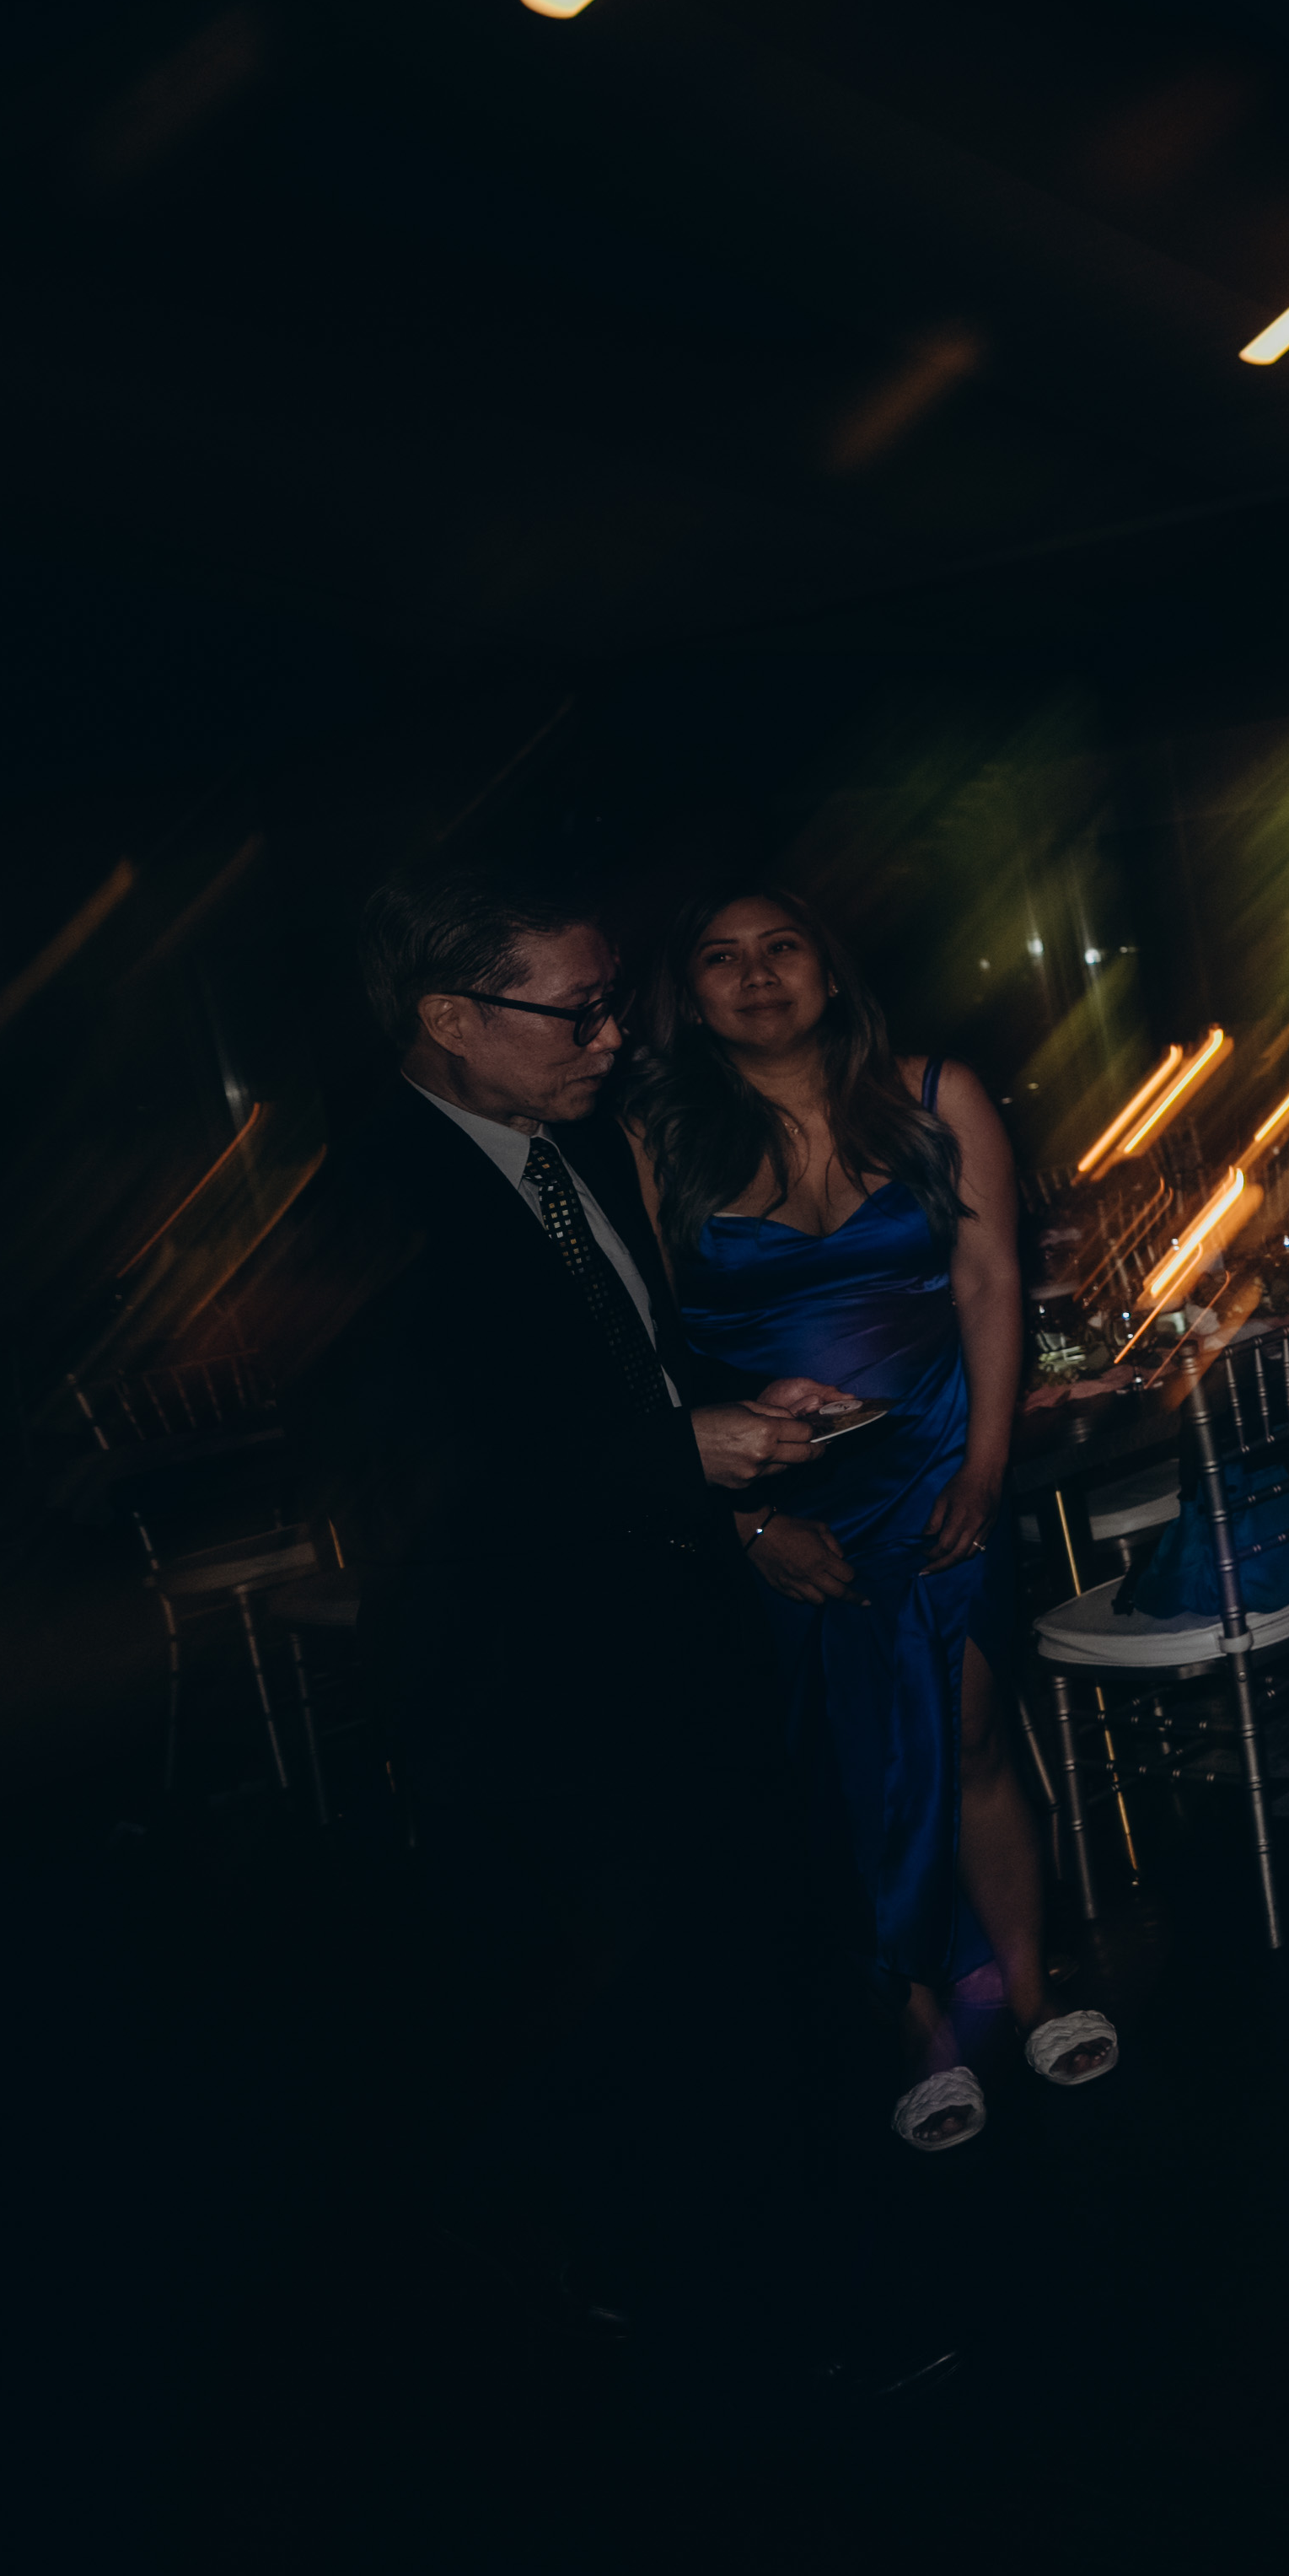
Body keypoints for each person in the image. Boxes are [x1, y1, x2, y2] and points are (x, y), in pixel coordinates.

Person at [309, 859, 841, 2324]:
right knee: (605, 2024)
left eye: (613, 1005)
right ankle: (638, 2318)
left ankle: (760, 2287)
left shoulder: (584, 1150)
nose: (614, 1038)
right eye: (578, 1012)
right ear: (450, 1017)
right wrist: (676, 1451)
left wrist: (733, 1427)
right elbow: (414, 1468)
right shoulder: (365, 1198)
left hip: (679, 1639)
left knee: (729, 1982)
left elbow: (624, 1368)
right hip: (521, 1687)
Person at [632, 883, 1098, 2153]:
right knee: (843, 1758)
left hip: (943, 1456)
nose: (757, 973)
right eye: (721, 957)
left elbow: (990, 1280)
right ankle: (918, 2024)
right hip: (776, 1491)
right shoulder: (653, 1140)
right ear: (691, 997)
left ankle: (1033, 1989)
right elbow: (646, 1360)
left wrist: (986, 1467)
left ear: (829, 971)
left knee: (974, 1728)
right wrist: (744, 1526)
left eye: (781, 946)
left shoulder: (936, 1094)